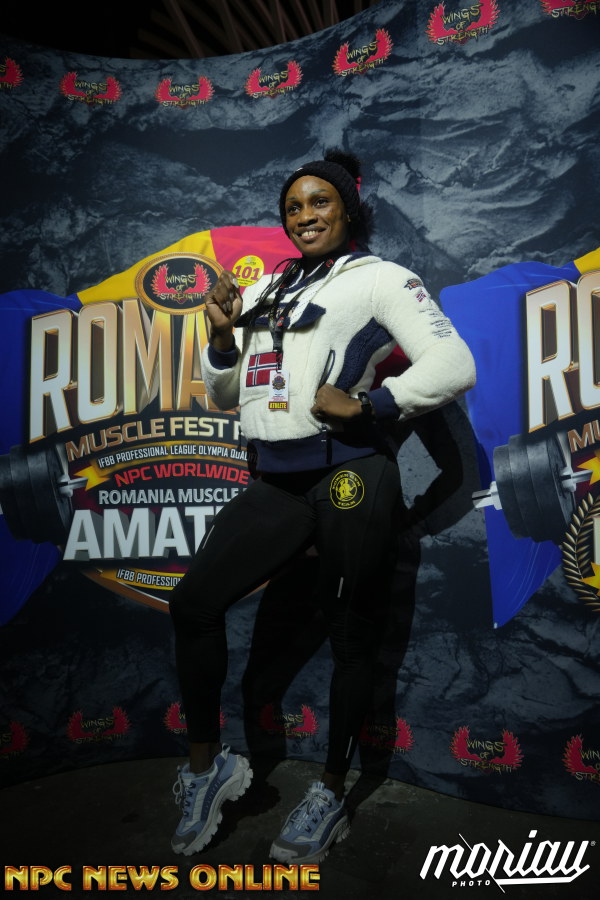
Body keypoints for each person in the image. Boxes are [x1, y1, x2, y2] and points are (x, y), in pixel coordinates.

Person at [168, 150, 476, 863]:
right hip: (278, 481)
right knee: (193, 605)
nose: (304, 216)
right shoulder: (267, 288)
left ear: (347, 209)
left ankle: (331, 791)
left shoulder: (381, 278)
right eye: (293, 207)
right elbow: (226, 393)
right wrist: (222, 335)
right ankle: (207, 770)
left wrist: (372, 405)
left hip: (350, 476)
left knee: (351, 637)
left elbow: (454, 362)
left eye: (319, 202)